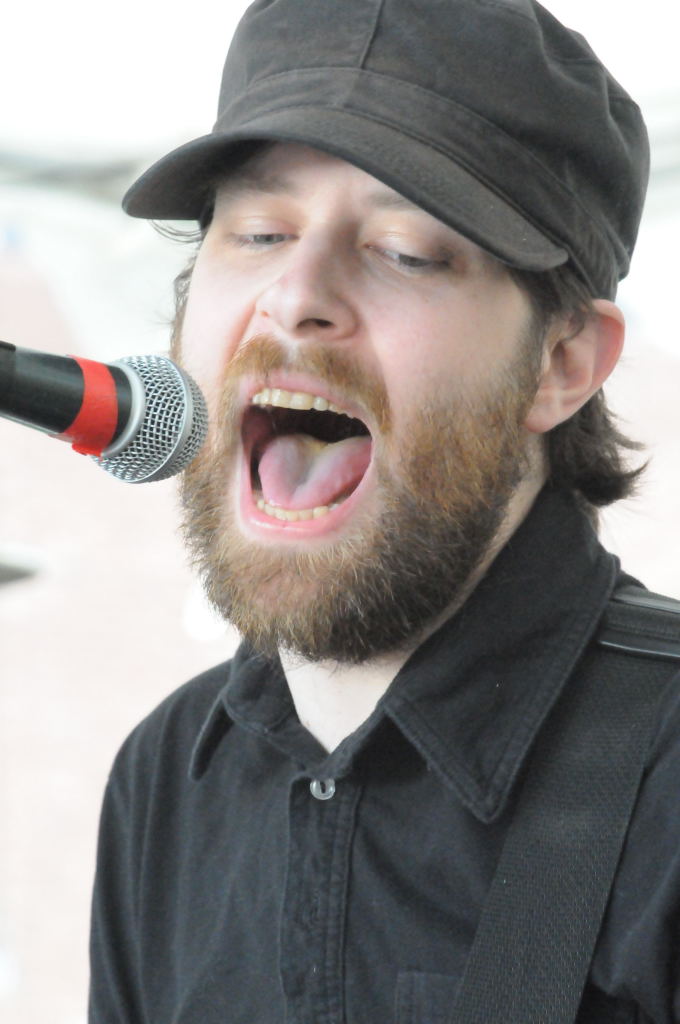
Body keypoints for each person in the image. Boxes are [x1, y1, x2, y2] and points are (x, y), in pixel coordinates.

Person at [88, 1, 680, 1021]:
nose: (294, 295)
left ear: (560, 362)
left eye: (405, 250)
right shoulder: (166, 777)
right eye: (258, 233)